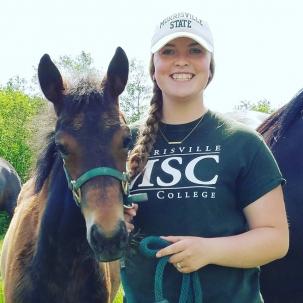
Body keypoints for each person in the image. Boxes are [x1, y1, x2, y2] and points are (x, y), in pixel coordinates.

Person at [122, 12, 289, 303]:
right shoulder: (120, 143)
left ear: (209, 67)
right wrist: (115, 229)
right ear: (154, 67)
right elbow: (91, 237)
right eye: (169, 51)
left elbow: (276, 239)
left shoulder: (243, 143)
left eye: (195, 51)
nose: (182, 60)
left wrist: (209, 251)